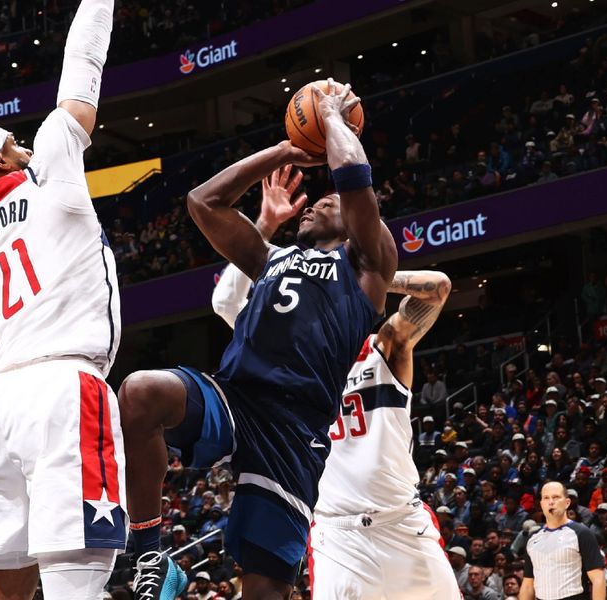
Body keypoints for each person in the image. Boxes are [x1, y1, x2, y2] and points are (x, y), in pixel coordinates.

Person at [118, 78, 398, 599]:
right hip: (236, 395)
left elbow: (356, 179)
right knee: (139, 392)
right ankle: (149, 553)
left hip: (292, 429)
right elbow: (204, 202)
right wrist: (284, 150)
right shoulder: (272, 257)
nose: (315, 204)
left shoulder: (368, 265)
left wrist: (331, 117)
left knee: (264, 590)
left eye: (328, 202)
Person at [0, 0, 126, 598]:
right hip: (62, 388)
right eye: (13, 142)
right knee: (78, 587)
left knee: (1, 585)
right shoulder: (50, 162)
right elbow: (83, 63)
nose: (25, 143)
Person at [212, 204, 457, 597]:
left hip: (402, 525)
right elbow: (225, 303)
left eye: (329, 204)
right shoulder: (292, 358)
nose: (314, 207)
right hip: (336, 536)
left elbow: (439, 286)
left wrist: (358, 274)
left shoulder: (383, 349)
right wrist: (266, 224)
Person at [520, 481, 605, 600]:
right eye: (546, 498)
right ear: (541, 504)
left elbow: (598, 578)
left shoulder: (581, 533)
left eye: (556, 497)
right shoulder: (532, 539)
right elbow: (528, 584)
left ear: (567, 502)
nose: (551, 502)